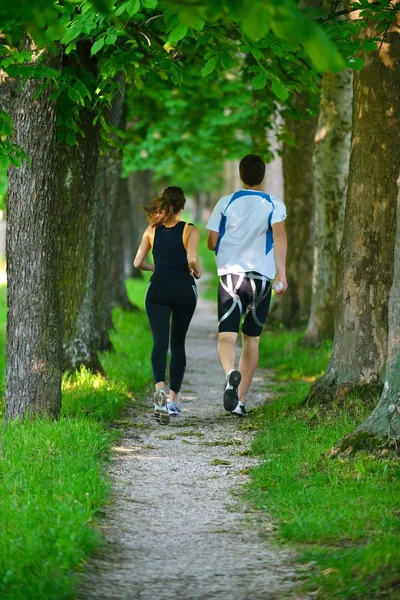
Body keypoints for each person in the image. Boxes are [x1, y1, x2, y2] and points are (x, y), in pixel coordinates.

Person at [206, 154, 287, 417]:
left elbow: (210, 241)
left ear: (240, 175)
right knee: (252, 340)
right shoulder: (274, 204)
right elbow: (280, 235)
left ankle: (231, 374)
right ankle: (239, 402)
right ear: (262, 176)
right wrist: (281, 274)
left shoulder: (225, 202)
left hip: (231, 277)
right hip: (262, 279)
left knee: (226, 337)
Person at [134, 186, 201, 425]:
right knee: (178, 343)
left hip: (158, 289)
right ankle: (174, 400)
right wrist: (198, 272)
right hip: (183, 289)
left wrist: (156, 268)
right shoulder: (190, 231)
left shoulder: (152, 230)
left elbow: (137, 262)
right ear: (182, 206)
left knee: (160, 342)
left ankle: (159, 392)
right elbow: (192, 259)